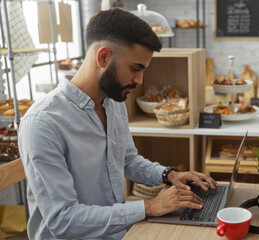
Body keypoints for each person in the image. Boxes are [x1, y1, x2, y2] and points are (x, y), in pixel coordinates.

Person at [18, 8, 217, 240]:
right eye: (135, 68)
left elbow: (127, 159)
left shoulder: (112, 102)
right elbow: (64, 220)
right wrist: (149, 207)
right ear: (103, 57)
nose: (139, 81)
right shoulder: (43, 122)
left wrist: (169, 175)